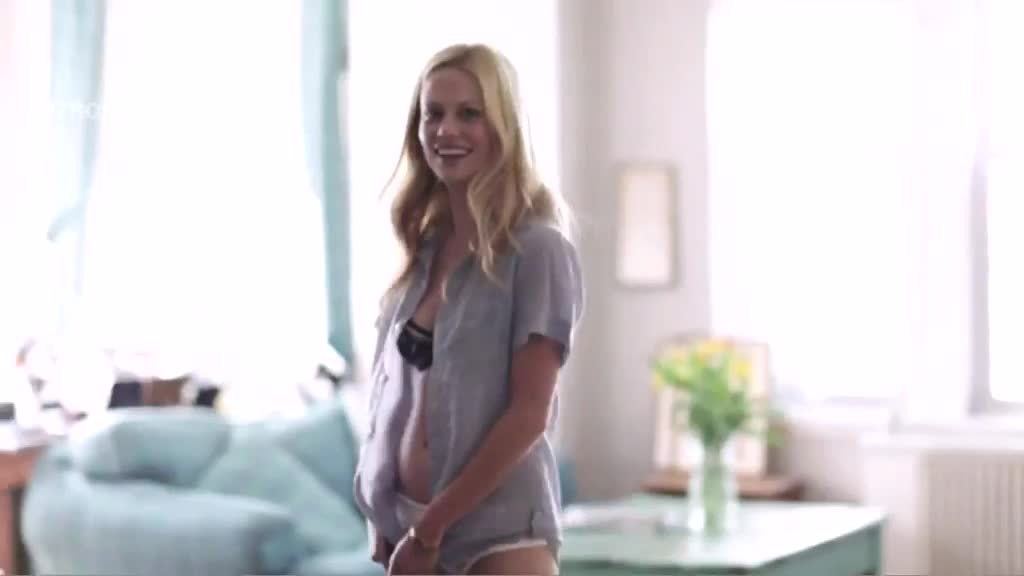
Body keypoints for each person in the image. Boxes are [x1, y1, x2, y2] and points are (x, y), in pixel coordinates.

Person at [352, 43, 585, 576]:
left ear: (503, 127)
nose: (446, 130)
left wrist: (429, 530)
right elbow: (392, 396)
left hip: (497, 536)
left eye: (469, 114)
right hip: (411, 530)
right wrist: (382, 506)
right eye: (432, 114)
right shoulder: (422, 251)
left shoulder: (538, 250)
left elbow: (530, 415)